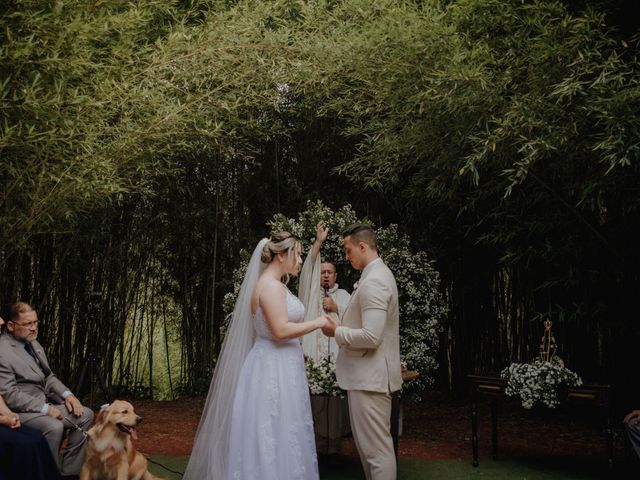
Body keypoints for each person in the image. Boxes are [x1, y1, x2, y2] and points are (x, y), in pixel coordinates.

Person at [182, 233, 330, 480]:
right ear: (281, 256)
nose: (301, 260)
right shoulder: (270, 287)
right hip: (273, 369)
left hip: (279, 364)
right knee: (273, 431)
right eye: (298, 254)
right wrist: (317, 322)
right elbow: (280, 330)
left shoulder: (274, 284)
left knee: (283, 431)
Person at [322, 224, 403, 480]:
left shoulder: (375, 280)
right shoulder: (376, 275)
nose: (346, 257)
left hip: (370, 379)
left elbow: (371, 336)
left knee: (376, 453)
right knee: (373, 451)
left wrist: (337, 331)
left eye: (348, 251)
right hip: (369, 377)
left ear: (362, 246)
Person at [0, 302, 94, 480]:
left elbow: (48, 377)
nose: (33, 328)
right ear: (11, 326)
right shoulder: (2, 351)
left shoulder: (33, 343)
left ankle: (69, 474)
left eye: (36, 322)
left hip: (44, 403)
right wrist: (44, 408)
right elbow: (9, 394)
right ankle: (47, 475)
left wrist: (68, 395)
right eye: (28, 324)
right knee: (53, 426)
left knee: (86, 415)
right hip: (21, 411)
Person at [0, 313, 62, 480]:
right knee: (25, 445)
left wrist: (7, 413)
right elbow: (10, 393)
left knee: (35, 438)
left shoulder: (33, 345)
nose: (1, 322)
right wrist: (4, 420)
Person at [299, 221, 351, 362]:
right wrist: (318, 241)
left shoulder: (344, 295)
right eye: (322, 273)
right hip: (313, 355)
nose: (326, 275)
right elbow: (308, 268)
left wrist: (336, 307)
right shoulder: (311, 293)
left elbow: (356, 320)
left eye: (330, 272)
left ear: (335, 276)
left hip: (338, 354)